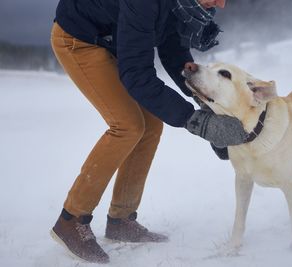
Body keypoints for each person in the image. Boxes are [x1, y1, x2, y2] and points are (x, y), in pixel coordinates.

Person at [50, 0, 249, 263]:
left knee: (151, 124)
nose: (220, 5)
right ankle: (71, 220)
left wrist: (208, 106)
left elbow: (174, 53)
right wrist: (199, 123)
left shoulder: (179, 4)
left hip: (113, 38)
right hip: (80, 39)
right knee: (127, 125)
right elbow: (137, 75)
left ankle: (121, 219)